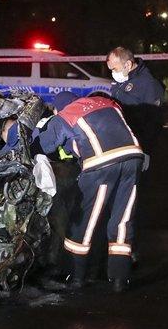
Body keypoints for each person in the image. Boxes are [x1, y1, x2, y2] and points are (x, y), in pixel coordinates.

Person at [35, 91, 144, 292]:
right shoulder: (107, 103)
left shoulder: (66, 114)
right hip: (134, 159)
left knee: (84, 220)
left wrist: (38, 131)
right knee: (122, 219)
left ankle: (75, 277)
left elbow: (45, 145)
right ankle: (119, 280)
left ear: (58, 108)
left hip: (100, 165)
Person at [106, 47, 165, 153]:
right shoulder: (122, 79)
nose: (113, 73)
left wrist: (143, 151)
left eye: (114, 69)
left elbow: (153, 123)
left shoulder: (149, 84)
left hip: (138, 146)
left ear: (128, 64)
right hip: (121, 142)